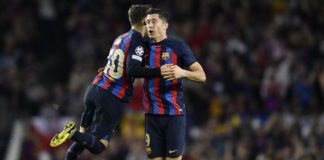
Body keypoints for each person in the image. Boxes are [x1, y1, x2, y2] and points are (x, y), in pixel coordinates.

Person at [50, 5, 166, 159]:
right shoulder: (137, 41)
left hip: (94, 89)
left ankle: (72, 141)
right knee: (98, 146)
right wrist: (158, 72)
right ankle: (71, 133)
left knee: (81, 143)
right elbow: (132, 69)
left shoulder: (121, 38)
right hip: (110, 97)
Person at [143, 8, 206, 160]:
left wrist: (182, 72)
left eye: (154, 21)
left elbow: (201, 75)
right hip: (151, 116)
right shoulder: (142, 48)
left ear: (165, 25)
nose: (149, 25)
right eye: (147, 22)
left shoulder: (177, 46)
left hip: (173, 115)